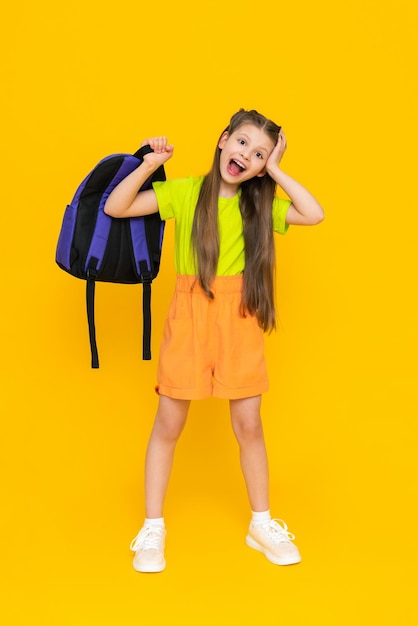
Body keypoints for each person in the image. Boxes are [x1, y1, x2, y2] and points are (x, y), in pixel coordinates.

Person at [104, 109, 324, 573]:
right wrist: (147, 163)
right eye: (242, 143)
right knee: (168, 425)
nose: (247, 155)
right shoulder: (186, 192)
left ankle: (260, 524)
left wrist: (279, 169)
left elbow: (314, 213)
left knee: (249, 425)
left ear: (264, 166)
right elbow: (116, 207)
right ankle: (153, 527)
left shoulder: (258, 205)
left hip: (239, 316)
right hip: (189, 314)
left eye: (260, 153)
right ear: (223, 141)